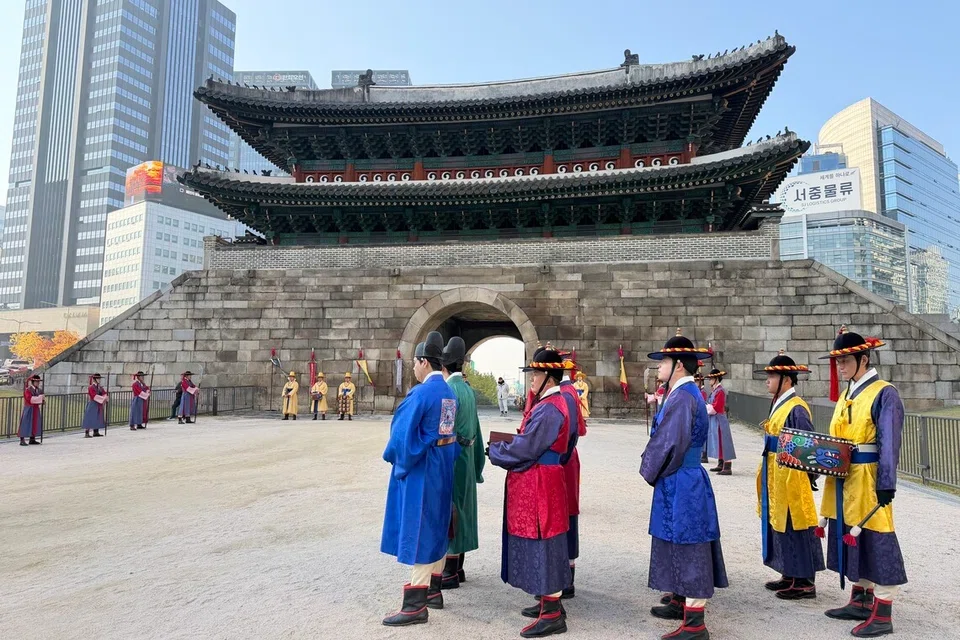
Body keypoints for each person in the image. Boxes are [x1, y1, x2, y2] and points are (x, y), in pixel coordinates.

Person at [818, 329, 906, 637]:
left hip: (869, 479)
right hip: (845, 479)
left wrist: (887, 482)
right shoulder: (847, 394)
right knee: (854, 537)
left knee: (878, 539)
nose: (840, 367)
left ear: (863, 359)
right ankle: (860, 598)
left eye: (845, 361)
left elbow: (889, 441)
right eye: (838, 362)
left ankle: (883, 612)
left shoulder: (885, 392)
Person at [640, 330, 727, 640]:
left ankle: (695, 623)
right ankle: (680, 597)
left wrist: (648, 467)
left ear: (678, 364)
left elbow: (668, 444)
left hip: (682, 478)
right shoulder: (684, 394)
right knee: (675, 537)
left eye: (664, 360)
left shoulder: (682, 397)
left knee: (688, 541)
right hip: (682, 476)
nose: (660, 366)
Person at [488, 346, 573, 639]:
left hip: (541, 483)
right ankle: (550, 602)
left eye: (535, 374)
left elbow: (528, 447)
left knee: (544, 539)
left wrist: (497, 451)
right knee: (545, 539)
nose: (532, 379)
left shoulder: (550, 407)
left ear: (549, 377)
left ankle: (551, 613)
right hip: (544, 478)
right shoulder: (552, 404)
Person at [380, 332, 459, 626]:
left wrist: (393, 456)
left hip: (423, 469)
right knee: (437, 524)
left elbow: (401, 437)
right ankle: (434, 591)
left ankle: (415, 604)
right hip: (442, 466)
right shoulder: (448, 392)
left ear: (424, 362)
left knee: (420, 529)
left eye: (415, 362)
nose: (413, 368)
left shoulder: (422, 394)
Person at [755, 351, 824, 600]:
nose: (767, 380)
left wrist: (809, 476)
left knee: (796, 523)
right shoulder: (780, 403)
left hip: (791, 474)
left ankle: (804, 580)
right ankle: (790, 572)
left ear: (786, 379)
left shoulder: (797, 408)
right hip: (777, 470)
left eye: (772, 376)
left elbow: (807, 443)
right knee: (780, 522)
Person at [439, 337, 485, 590]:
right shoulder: (467, 389)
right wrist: (478, 464)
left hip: (453, 457)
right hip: (468, 455)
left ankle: (450, 570)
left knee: (452, 510)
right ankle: (460, 566)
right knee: (465, 509)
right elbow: (477, 427)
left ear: (443, 365)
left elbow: (445, 431)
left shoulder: (448, 391)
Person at [556, 364, 588, 599]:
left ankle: (564, 578)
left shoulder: (564, 394)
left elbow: (570, 434)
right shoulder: (568, 391)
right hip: (566, 460)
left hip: (562, 462)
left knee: (564, 516)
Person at [705, 368, 736, 476]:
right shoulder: (715, 391)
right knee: (718, 441)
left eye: (711, 379)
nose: (709, 381)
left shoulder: (720, 391)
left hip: (719, 419)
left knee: (723, 442)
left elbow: (716, 407)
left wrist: (706, 408)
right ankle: (721, 463)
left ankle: (727, 466)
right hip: (715, 419)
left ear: (716, 379)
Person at [19, 374, 44, 446]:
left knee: (35, 423)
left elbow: (41, 399)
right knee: (25, 423)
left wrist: (42, 400)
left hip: (35, 409)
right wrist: (40, 397)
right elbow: (30, 399)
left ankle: (32, 439)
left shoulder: (39, 390)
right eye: (36, 382)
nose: (38, 383)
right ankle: (22, 440)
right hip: (29, 408)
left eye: (38, 382)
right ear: (33, 382)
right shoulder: (28, 390)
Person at [83, 373, 108, 438]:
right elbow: (93, 396)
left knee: (98, 417)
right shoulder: (91, 387)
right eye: (97, 378)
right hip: (93, 403)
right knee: (90, 417)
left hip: (98, 404)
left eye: (99, 378)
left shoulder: (100, 387)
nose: (99, 380)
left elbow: (104, 393)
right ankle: (87, 432)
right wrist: (103, 398)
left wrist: (105, 397)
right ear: (94, 379)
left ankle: (96, 431)